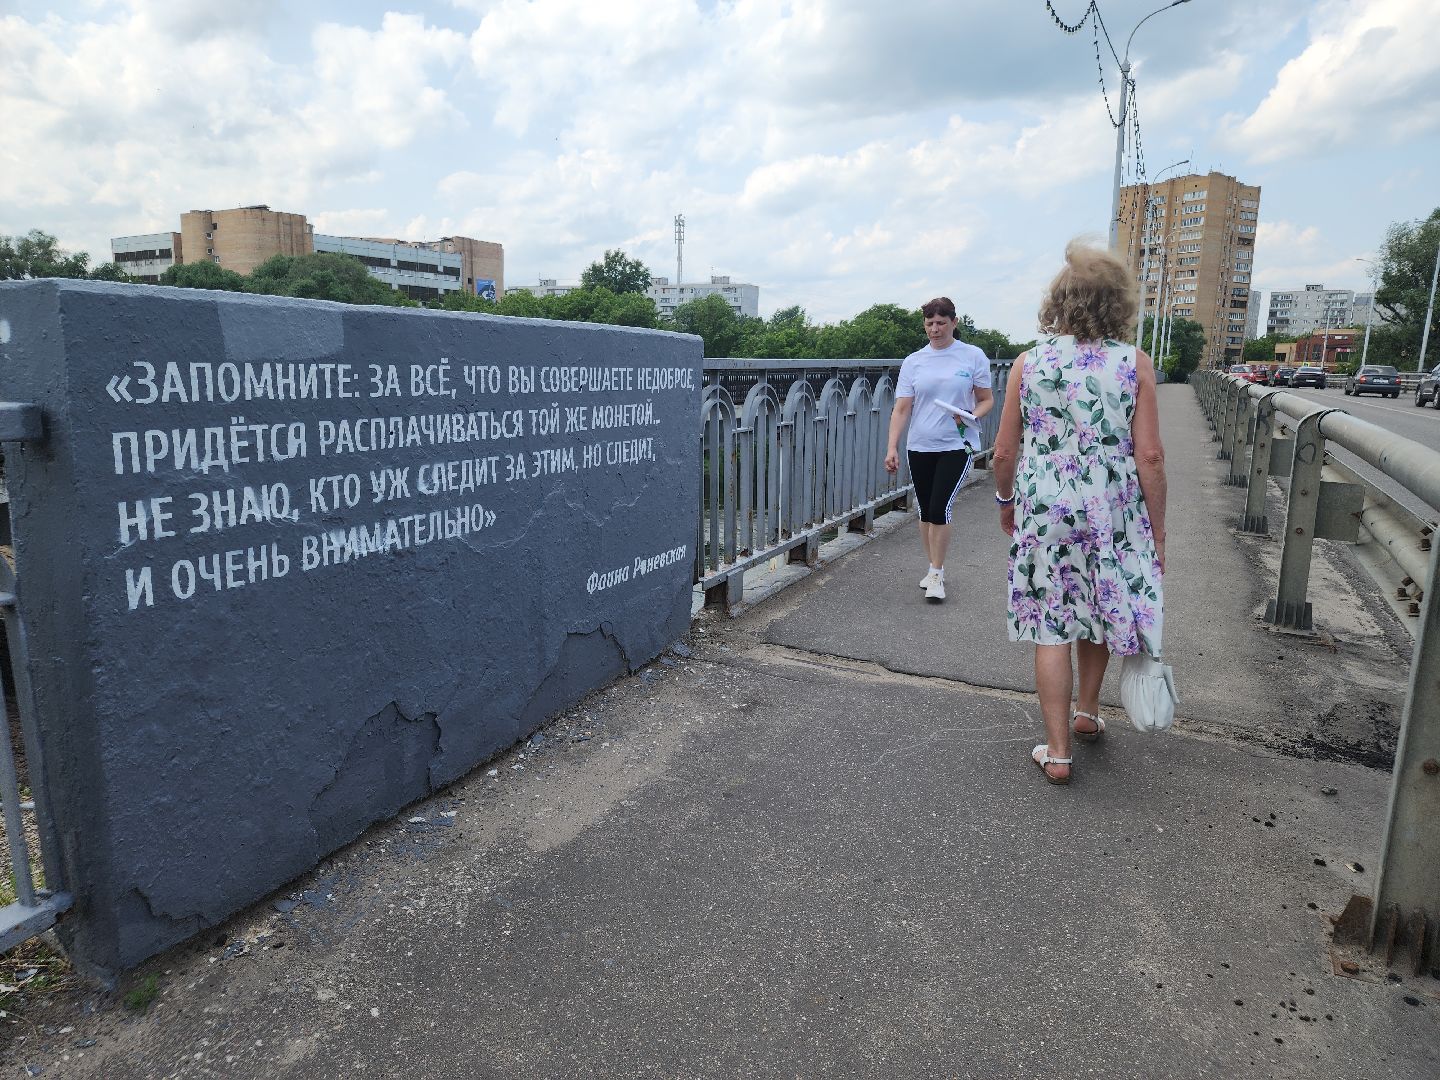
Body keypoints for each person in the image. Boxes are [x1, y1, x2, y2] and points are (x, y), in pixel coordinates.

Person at [991, 241, 1167, 784]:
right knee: (1099, 600)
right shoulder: (1134, 363)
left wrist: (1005, 501)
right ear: (1118, 303)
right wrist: (1156, 531)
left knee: (1052, 622)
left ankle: (1059, 751)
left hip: (1046, 507)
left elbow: (1003, 451)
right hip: (1110, 510)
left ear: (1059, 301)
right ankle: (1087, 713)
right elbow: (1152, 457)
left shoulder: (1029, 362)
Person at [884, 297, 994, 601]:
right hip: (920, 444)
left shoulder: (972, 356)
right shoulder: (914, 361)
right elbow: (902, 408)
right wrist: (892, 446)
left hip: (957, 443)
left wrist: (972, 415)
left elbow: (986, 399)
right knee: (925, 509)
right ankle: (932, 567)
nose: (935, 329)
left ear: (954, 323)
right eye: (930, 323)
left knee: (940, 507)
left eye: (941, 323)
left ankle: (937, 572)